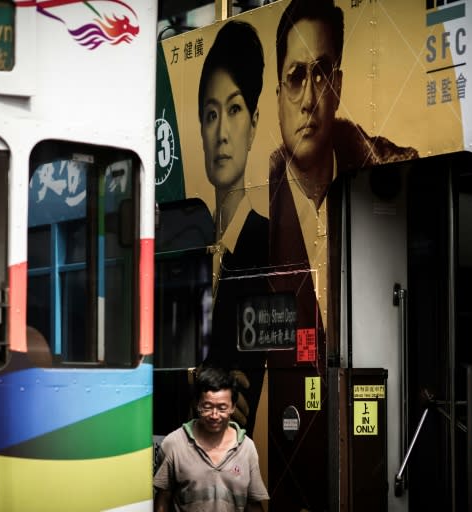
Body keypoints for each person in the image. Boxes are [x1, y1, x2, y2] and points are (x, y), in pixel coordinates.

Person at [268, 0, 418, 356]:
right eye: (295, 77)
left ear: (337, 85)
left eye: (320, 73)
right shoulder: (256, 216)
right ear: (277, 97)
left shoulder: (390, 179)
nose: (308, 99)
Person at [198, 20, 268, 434]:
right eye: (210, 114)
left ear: (255, 121)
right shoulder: (193, 247)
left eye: (235, 109)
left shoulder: (269, 242)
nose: (222, 133)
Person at [153, 366, 269, 512]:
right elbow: (163, 498)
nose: (214, 415)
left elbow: (253, 504)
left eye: (222, 408)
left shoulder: (247, 448)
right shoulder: (174, 444)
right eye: (207, 407)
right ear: (197, 405)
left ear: (233, 407)